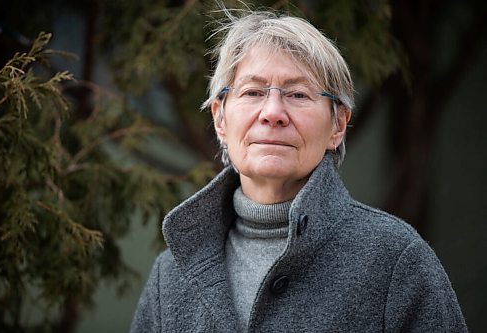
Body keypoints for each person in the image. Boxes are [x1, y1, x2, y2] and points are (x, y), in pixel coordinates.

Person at [130, 8, 467, 333]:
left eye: (297, 94)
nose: (272, 112)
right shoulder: (171, 274)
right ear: (220, 118)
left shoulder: (395, 261)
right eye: (253, 92)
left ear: (338, 124)